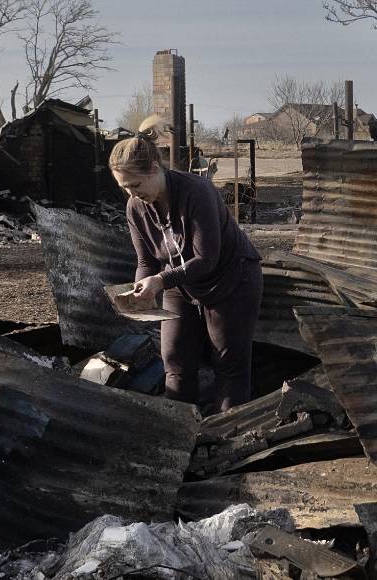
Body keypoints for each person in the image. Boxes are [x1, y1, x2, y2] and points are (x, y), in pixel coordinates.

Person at [109, 116, 263, 413]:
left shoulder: (197, 192)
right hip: (182, 284)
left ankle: (230, 437)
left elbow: (207, 259)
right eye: (123, 187)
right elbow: (146, 261)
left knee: (228, 365)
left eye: (135, 184)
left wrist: (160, 281)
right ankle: (182, 430)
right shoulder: (135, 207)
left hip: (231, 279)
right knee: (175, 360)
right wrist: (142, 289)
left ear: (154, 169)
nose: (131, 194)